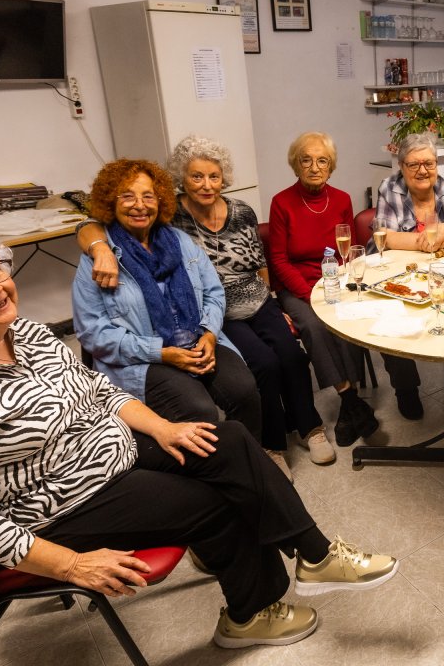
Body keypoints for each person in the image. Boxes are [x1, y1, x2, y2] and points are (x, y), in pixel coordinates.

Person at [0, 220, 398, 650]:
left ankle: (315, 554)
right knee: (217, 499)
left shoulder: (24, 333)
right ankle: (249, 615)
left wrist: (165, 427)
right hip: (53, 507)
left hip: (110, 452)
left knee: (229, 438)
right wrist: (71, 562)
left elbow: (97, 391)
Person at [77, 138, 333, 476]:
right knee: (263, 365)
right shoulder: (160, 225)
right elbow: (89, 228)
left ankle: (303, 429)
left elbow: (242, 273)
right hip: (188, 330)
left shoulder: (214, 222)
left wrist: (259, 308)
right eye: (196, 177)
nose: (206, 185)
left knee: (289, 356)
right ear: (182, 180)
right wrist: (98, 245)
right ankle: (266, 448)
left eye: (214, 176)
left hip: (238, 307)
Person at [72, 159, 277, 469]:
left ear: (161, 201)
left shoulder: (180, 242)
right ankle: (218, 478)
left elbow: (213, 292)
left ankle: (251, 463)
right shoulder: (99, 258)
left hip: (198, 340)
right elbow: (92, 334)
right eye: (127, 196)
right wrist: (162, 353)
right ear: (109, 201)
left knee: (245, 390)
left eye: (148, 196)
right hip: (143, 358)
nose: (139, 205)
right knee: (199, 410)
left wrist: (209, 333)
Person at [268, 131, 377, 447]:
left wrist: (338, 284)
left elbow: (347, 251)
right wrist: (307, 293)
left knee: (348, 317)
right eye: (307, 160)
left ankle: (349, 405)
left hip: (334, 278)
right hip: (297, 284)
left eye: (322, 161)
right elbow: (277, 259)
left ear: (331, 166)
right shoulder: (281, 203)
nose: (314, 167)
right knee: (316, 325)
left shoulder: (341, 199)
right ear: (296, 164)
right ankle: (350, 397)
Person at [371, 132, 444, 418]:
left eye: (429, 163)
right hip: (396, 272)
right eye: (414, 164)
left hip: (443, 271)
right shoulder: (389, 188)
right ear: (401, 166)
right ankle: (405, 388)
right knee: (392, 317)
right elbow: (388, 238)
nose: (423, 170)